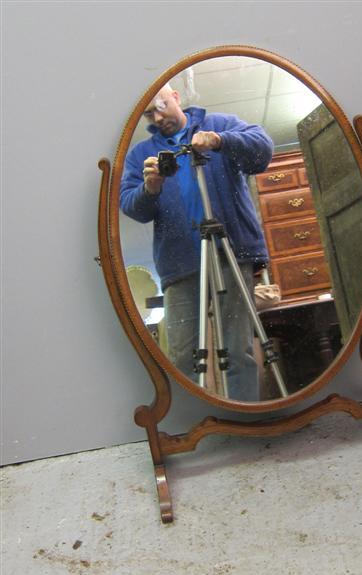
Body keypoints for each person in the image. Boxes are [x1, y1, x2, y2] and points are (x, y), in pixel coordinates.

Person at [120, 83, 274, 401]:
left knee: (238, 348)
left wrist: (221, 141)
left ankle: (245, 418)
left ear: (176, 97)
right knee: (181, 355)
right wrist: (150, 187)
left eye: (161, 105)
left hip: (231, 251)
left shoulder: (220, 124)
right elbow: (131, 206)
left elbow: (263, 150)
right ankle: (198, 421)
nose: (157, 116)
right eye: (149, 113)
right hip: (179, 264)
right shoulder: (140, 156)